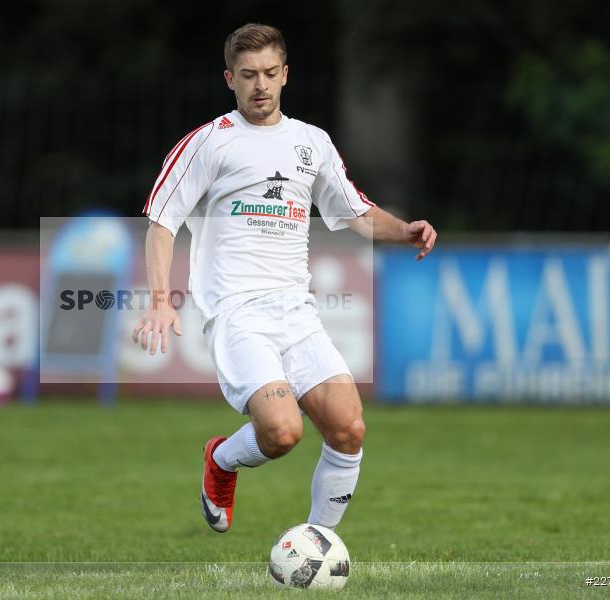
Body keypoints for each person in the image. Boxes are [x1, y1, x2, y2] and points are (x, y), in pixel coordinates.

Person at [133, 24, 437, 533]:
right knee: (281, 432)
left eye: (271, 74)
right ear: (229, 79)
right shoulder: (209, 143)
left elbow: (357, 212)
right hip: (237, 312)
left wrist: (404, 230)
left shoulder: (310, 143)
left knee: (349, 428)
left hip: (296, 310)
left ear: (286, 75)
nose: (260, 86)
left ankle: (317, 543)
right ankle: (221, 460)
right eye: (248, 75)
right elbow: (161, 222)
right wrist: (161, 299)